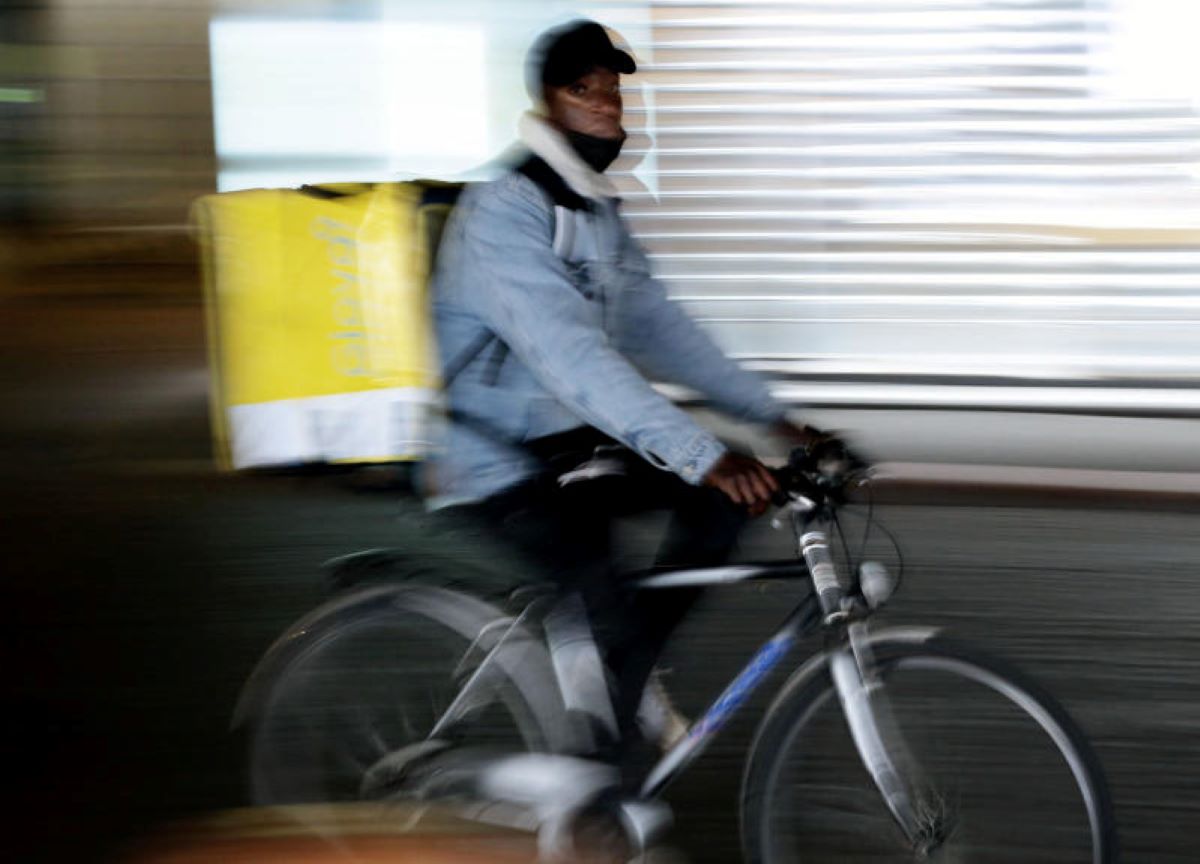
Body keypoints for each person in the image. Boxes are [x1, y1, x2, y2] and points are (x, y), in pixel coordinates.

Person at [428, 19, 823, 785]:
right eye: (587, 90)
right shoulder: (503, 213)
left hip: (565, 447)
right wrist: (704, 453)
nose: (610, 106)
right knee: (600, 582)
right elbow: (571, 357)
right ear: (546, 105)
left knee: (718, 509)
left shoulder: (595, 210)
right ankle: (597, 792)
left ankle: (621, 681)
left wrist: (770, 417)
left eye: (615, 90)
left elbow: (662, 327)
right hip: (488, 461)